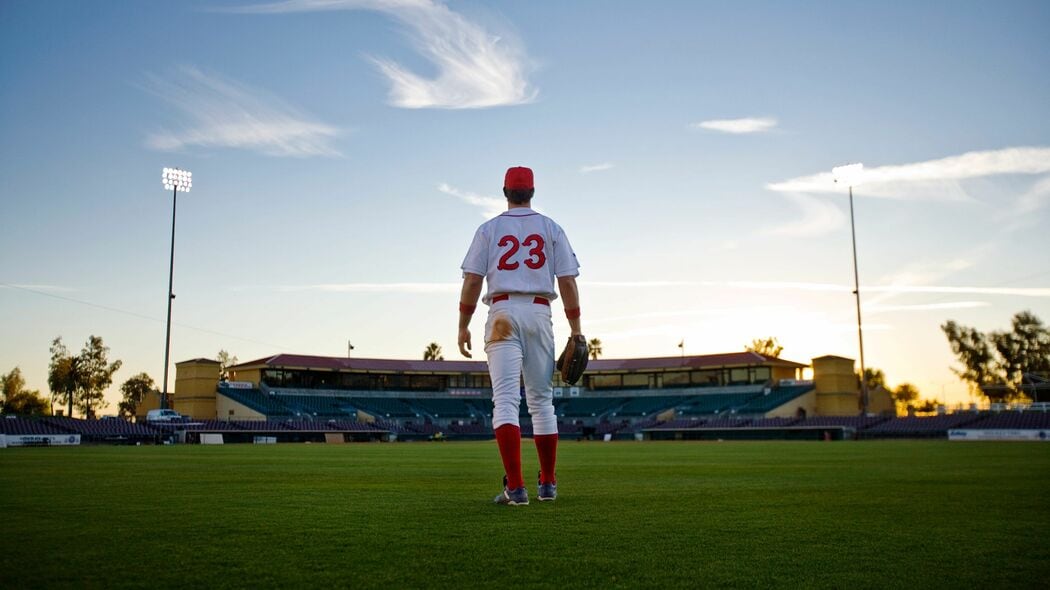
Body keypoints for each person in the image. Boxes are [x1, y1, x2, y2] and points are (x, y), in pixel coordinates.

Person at [458, 166, 582, 506]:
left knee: (507, 401)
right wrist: (577, 330)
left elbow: (472, 280)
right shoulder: (551, 228)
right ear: (532, 191)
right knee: (542, 401)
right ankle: (549, 484)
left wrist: (463, 323)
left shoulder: (489, 229)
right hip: (540, 312)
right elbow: (568, 281)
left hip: (502, 313)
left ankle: (516, 487)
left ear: (504, 191)